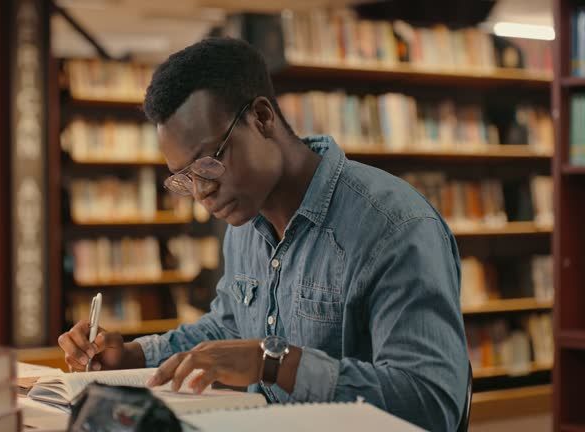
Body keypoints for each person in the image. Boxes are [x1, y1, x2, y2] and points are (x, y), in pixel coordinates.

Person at [58, 37, 468, 431]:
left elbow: (432, 403)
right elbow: (228, 328)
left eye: (208, 163)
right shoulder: (244, 228)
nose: (201, 192)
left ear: (262, 118)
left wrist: (275, 362)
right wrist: (132, 354)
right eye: (184, 178)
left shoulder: (394, 226)